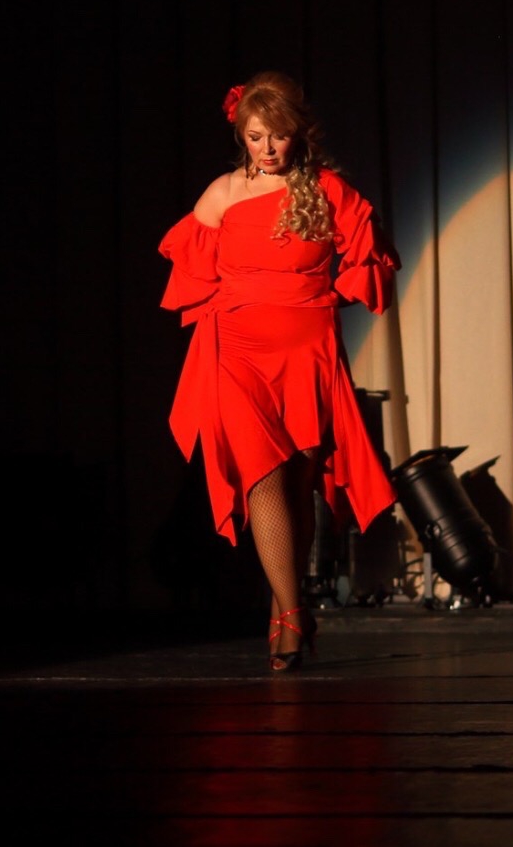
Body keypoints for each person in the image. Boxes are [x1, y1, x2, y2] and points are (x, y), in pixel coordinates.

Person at [158, 71, 401, 672]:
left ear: (299, 133)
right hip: (238, 350)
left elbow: (370, 260)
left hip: (307, 350)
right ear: (241, 135)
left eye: (278, 135)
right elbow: (191, 275)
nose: (267, 148)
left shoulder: (329, 190)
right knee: (262, 477)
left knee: (297, 484)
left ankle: (284, 606)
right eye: (256, 136)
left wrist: (321, 295)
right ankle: (293, 615)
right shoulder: (222, 195)